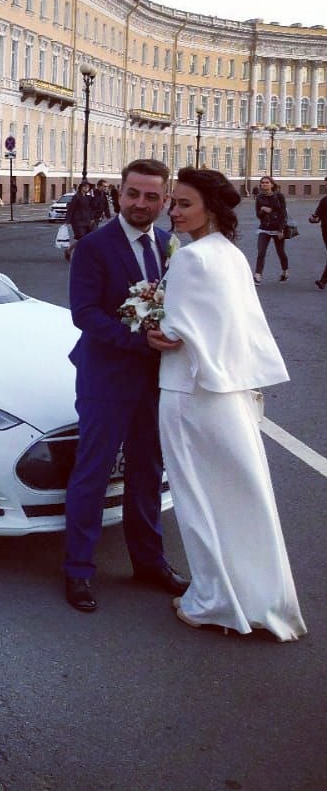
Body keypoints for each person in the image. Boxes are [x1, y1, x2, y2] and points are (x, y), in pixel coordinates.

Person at [152, 168, 306, 641]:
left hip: (188, 392)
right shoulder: (232, 255)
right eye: (173, 202)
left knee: (198, 502)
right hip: (231, 393)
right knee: (245, 498)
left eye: (184, 204)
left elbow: (171, 331)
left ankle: (213, 602)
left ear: (212, 208)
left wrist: (153, 328)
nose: (173, 211)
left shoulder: (190, 257)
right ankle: (264, 599)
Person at [63, 158, 189, 612]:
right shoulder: (93, 247)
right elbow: (85, 314)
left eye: (152, 196)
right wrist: (138, 339)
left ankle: (149, 562)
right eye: (133, 193)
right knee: (93, 474)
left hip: (156, 381)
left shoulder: (170, 245)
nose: (141, 203)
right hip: (106, 379)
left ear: (165, 200)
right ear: (120, 194)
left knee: (147, 473)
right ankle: (78, 569)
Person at [253, 175, 289, 282]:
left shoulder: (279, 196)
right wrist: (263, 209)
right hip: (264, 228)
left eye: (267, 182)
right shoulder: (259, 197)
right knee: (261, 252)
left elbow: (283, 214)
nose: (264, 184)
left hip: (278, 228)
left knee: (281, 252)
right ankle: (258, 275)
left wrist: (281, 229)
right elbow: (258, 215)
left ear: (272, 185)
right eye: (262, 182)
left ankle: (285, 271)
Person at [63, 181, 95, 261]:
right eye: (85, 186)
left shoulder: (88, 197)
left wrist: (91, 218)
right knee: (82, 238)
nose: (86, 188)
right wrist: (67, 220)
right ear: (81, 187)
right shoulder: (76, 197)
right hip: (77, 221)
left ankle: (69, 250)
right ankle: (81, 255)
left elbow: (90, 209)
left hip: (87, 220)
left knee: (85, 239)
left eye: (88, 187)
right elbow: (71, 208)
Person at [309, 179, 327, 289]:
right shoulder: (324, 200)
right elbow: (316, 216)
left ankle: (323, 281)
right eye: (326, 184)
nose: (326, 186)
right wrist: (312, 219)